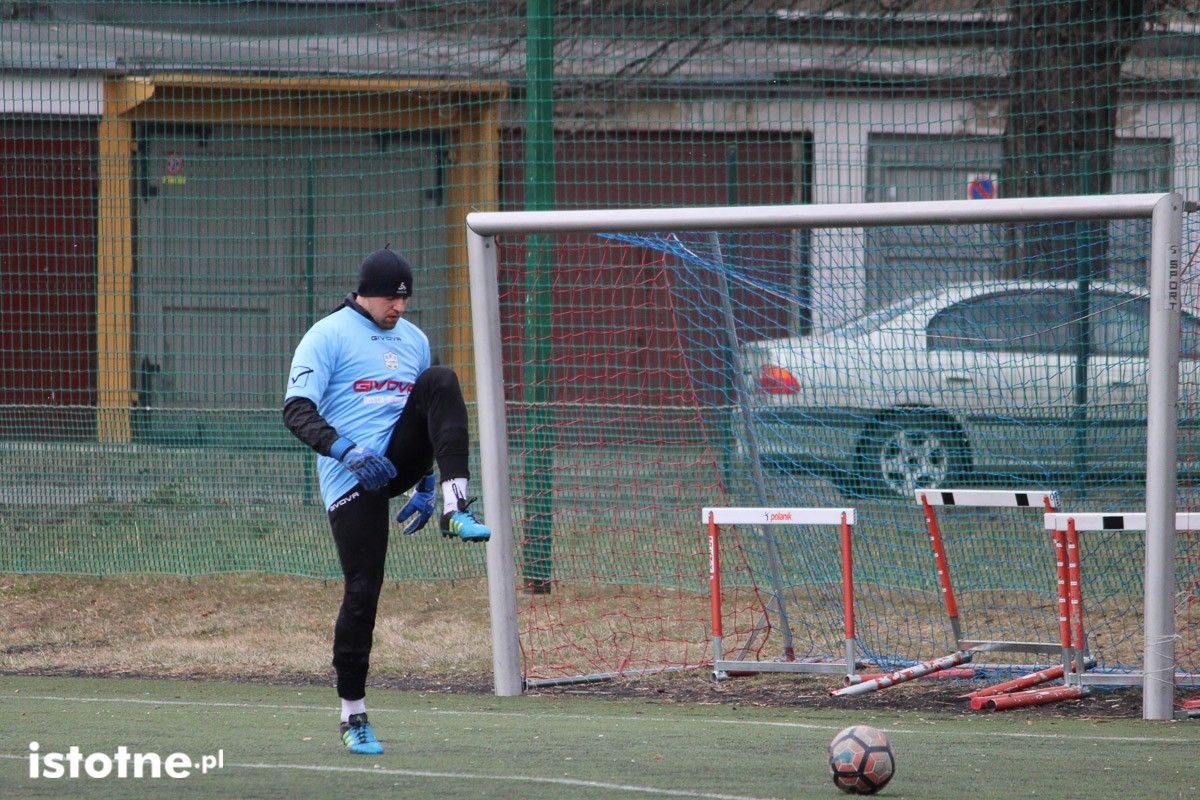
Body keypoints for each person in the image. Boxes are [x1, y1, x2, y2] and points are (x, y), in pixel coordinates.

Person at [282, 245, 490, 756]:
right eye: (390, 299)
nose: (399, 308)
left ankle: (456, 506)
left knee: (441, 380)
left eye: (405, 299)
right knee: (363, 590)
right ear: (365, 293)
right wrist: (346, 451)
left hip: (397, 462)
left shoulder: (414, 340)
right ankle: (352, 714)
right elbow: (296, 410)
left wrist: (425, 483)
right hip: (353, 475)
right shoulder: (326, 335)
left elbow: (425, 415)